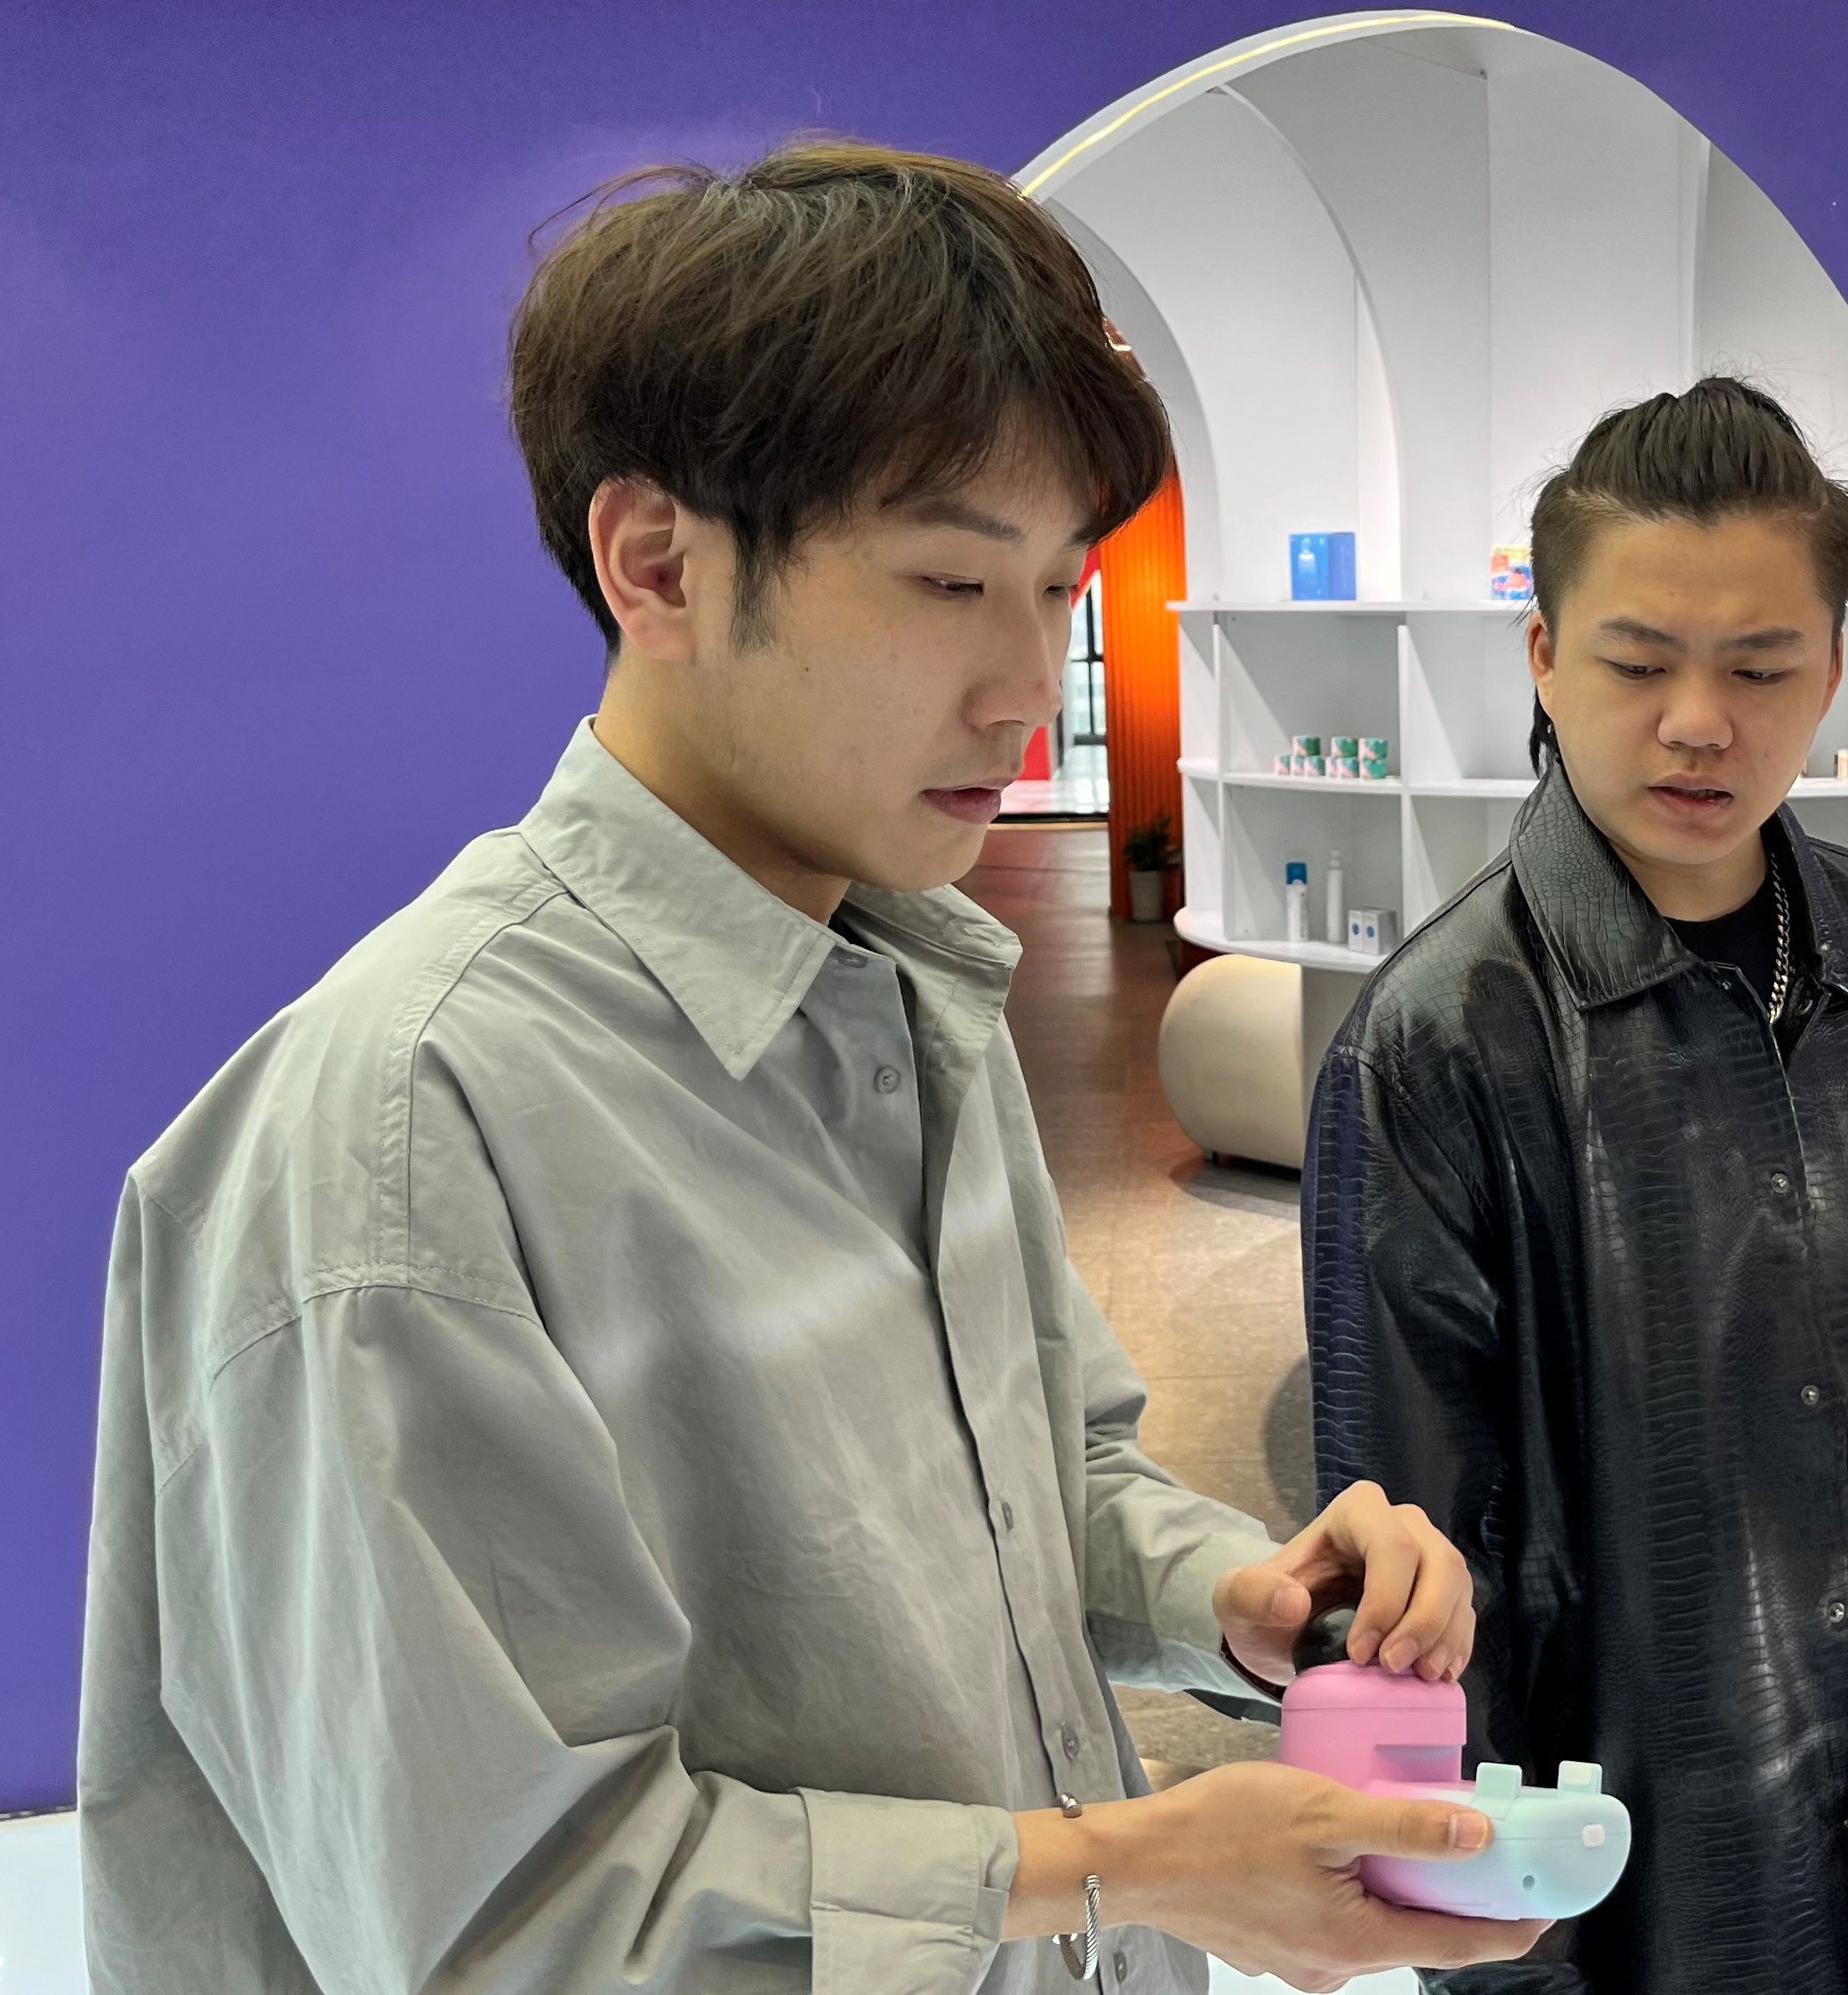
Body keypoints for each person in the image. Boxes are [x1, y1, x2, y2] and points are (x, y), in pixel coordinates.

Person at [77, 141, 1550, 1995]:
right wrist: (1127, 1866)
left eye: (1056, 588)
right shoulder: (400, 1143)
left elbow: (1039, 1482)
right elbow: (510, 1921)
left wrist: (1228, 1598)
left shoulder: (907, 984)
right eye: (949, 582)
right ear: (657, 564)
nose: (1026, 683)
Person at [1304, 378, 1848, 1992]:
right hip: (1627, 1847)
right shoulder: (1439, 1046)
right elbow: (1397, 1552)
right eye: (1635, 661)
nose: (1698, 721)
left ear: (1828, 670)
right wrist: (1469, 1906)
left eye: (1760, 668)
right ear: (1542, 655)